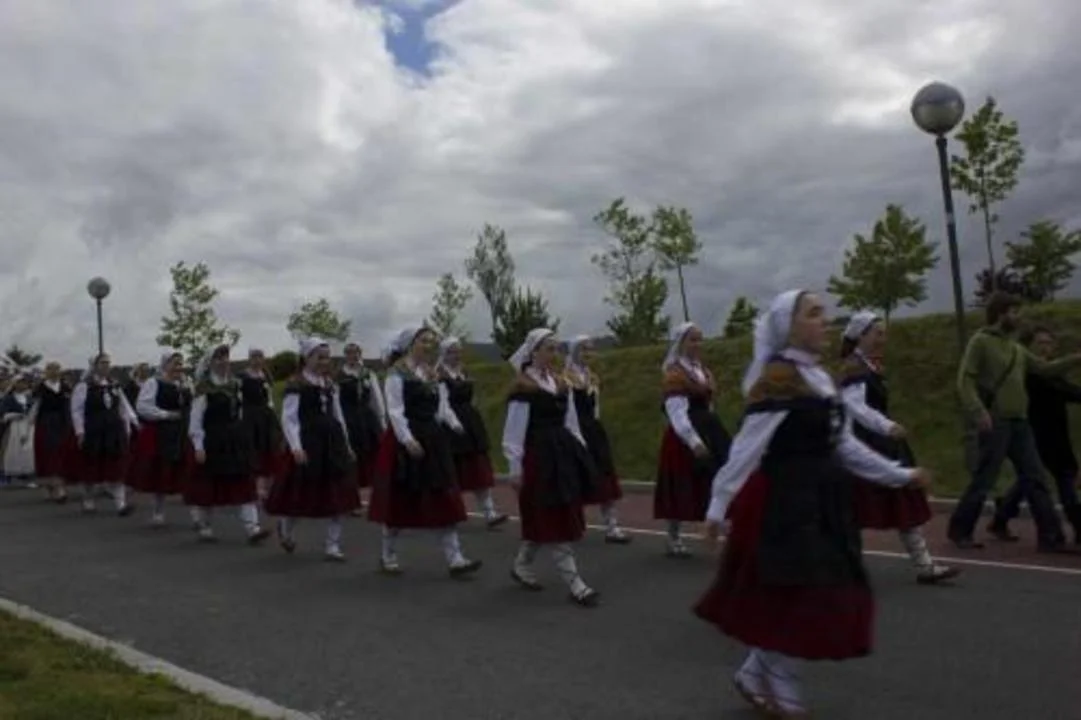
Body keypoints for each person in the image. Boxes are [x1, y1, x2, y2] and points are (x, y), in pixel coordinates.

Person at [693, 289, 931, 718]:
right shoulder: (778, 378)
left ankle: (753, 672)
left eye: (824, 312)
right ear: (789, 327)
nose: (825, 320)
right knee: (804, 593)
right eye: (813, 313)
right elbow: (746, 449)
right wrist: (716, 507)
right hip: (789, 503)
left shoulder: (820, 377)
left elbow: (843, 444)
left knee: (821, 591)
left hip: (826, 502)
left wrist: (898, 474)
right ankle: (783, 687)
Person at [947, 293, 1080, 552]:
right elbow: (965, 380)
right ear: (1000, 313)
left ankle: (1051, 538)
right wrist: (978, 411)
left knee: (1035, 478)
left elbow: (1044, 368)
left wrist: (1075, 358)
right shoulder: (981, 341)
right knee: (985, 479)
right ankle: (960, 530)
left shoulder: (1016, 347)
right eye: (1014, 312)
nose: (1019, 317)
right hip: (996, 421)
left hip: (1020, 422)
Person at [838, 312, 958, 584]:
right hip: (865, 443)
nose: (883, 339)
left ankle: (924, 565)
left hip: (881, 443)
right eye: (878, 333)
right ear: (861, 335)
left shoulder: (869, 365)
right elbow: (855, 406)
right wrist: (886, 426)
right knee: (854, 508)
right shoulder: (854, 367)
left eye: (884, 334)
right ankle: (844, 565)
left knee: (900, 500)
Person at [368, 328, 482, 578]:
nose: (428, 345)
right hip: (406, 439)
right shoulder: (397, 373)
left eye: (431, 341)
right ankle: (388, 554)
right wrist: (407, 439)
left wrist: (453, 425)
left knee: (443, 496)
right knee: (401, 501)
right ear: (410, 344)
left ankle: (456, 558)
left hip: (433, 438)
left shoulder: (432, 373)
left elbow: (442, 406)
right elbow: (395, 410)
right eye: (423, 341)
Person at [503, 328, 600, 607]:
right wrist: (515, 467)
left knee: (549, 515)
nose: (554, 354)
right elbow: (513, 432)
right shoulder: (523, 387)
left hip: (562, 453)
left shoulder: (559, 382)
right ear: (533, 352)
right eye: (549, 348)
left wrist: (581, 450)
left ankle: (521, 564)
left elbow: (571, 421)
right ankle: (575, 584)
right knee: (553, 515)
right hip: (539, 456)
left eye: (556, 349)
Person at [266, 338, 358, 559]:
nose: (324, 362)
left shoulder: (330, 384)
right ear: (306, 358)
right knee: (301, 495)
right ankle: (286, 527)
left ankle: (332, 545)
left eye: (327, 358)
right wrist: (296, 446)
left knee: (338, 495)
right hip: (309, 442)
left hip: (332, 442)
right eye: (320, 357)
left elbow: (338, 415)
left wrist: (347, 444)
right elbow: (289, 419)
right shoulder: (296, 384)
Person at [990, 326, 1081, 544]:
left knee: (1028, 482)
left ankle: (1001, 517)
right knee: (1062, 481)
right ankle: (1079, 528)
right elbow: (1064, 390)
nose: (1044, 347)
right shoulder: (1030, 374)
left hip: (1057, 437)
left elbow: (1070, 390)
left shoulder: (1052, 374)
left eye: (1048, 343)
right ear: (1029, 348)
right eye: (1039, 343)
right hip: (1035, 437)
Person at [653, 321, 731, 557]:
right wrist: (693, 441)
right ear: (681, 343)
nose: (698, 344)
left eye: (699, 339)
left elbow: (709, 403)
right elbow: (676, 411)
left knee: (718, 479)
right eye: (692, 340)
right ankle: (673, 536)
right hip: (685, 433)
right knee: (682, 484)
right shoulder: (675, 374)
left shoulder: (702, 370)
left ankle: (721, 528)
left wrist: (715, 431)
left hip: (709, 428)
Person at [186, 345, 270, 544]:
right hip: (212, 439)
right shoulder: (204, 388)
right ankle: (205, 525)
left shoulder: (235, 384)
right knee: (209, 484)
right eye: (219, 358)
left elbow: (238, 411)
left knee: (244, 481)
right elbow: (196, 419)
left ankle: (253, 528)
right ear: (210, 363)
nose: (224, 362)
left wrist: (242, 433)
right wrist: (198, 445)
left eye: (226, 357)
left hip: (234, 438)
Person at [436, 336, 508, 529]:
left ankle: (490, 513)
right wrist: (454, 424)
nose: (456, 355)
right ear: (444, 354)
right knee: (453, 473)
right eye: (451, 352)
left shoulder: (463, 372)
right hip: (452, 428)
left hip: (470, 423)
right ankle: (449, 512)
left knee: (479, 471)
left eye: (458, 351)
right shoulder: (440, 375)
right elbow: (442, 405)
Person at [564, 335, 629, 543]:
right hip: (575, 430)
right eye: (584, 349)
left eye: (590, 349)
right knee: (576, 478)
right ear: (575, 351)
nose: (588, 353)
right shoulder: (566, 378)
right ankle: (573, 524)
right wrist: (574, 435)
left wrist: (596, 428)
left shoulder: (592, 378)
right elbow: (568, 411)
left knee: (605, 476)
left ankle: (612, 526)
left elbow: (596, 407)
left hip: (593, 430)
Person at [70, 354, 138, 515]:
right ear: (94, 365)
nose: (106, 366)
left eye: (108, 363)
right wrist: (80, 431)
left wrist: (130, 425)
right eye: (102, 363)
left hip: (113, 429)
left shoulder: (114, 384)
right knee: (91, 465)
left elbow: (123, 407)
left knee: (116, 466)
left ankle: (121, 504)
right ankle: (88, 498)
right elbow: (77, 410)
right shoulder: (84, 386)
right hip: (94, 429)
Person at [129, 352, 192, 527]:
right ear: (165, 365)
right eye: (175, 363)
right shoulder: (154, 382)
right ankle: (158, 512)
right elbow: (142, 406)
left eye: (180, 364)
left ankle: (197, 515)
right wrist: (165, 414)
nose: (178, 367)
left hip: (181, 431)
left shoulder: (185, 383)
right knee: (161, 473)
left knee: (186, 472)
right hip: (162, 432)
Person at [337, 342, 386, 513]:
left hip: (366, 418)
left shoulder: (368, 373)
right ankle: (352, 499)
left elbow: (376, 398)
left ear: (360, 354)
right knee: (352, 458)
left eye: (356, 352)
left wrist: (382, 420)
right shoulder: (340, 375)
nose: (353, 356)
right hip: (348, 418)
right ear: (345, 355)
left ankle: (373, 497)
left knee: (371, 455)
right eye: (349, 353)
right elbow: (336, 400)